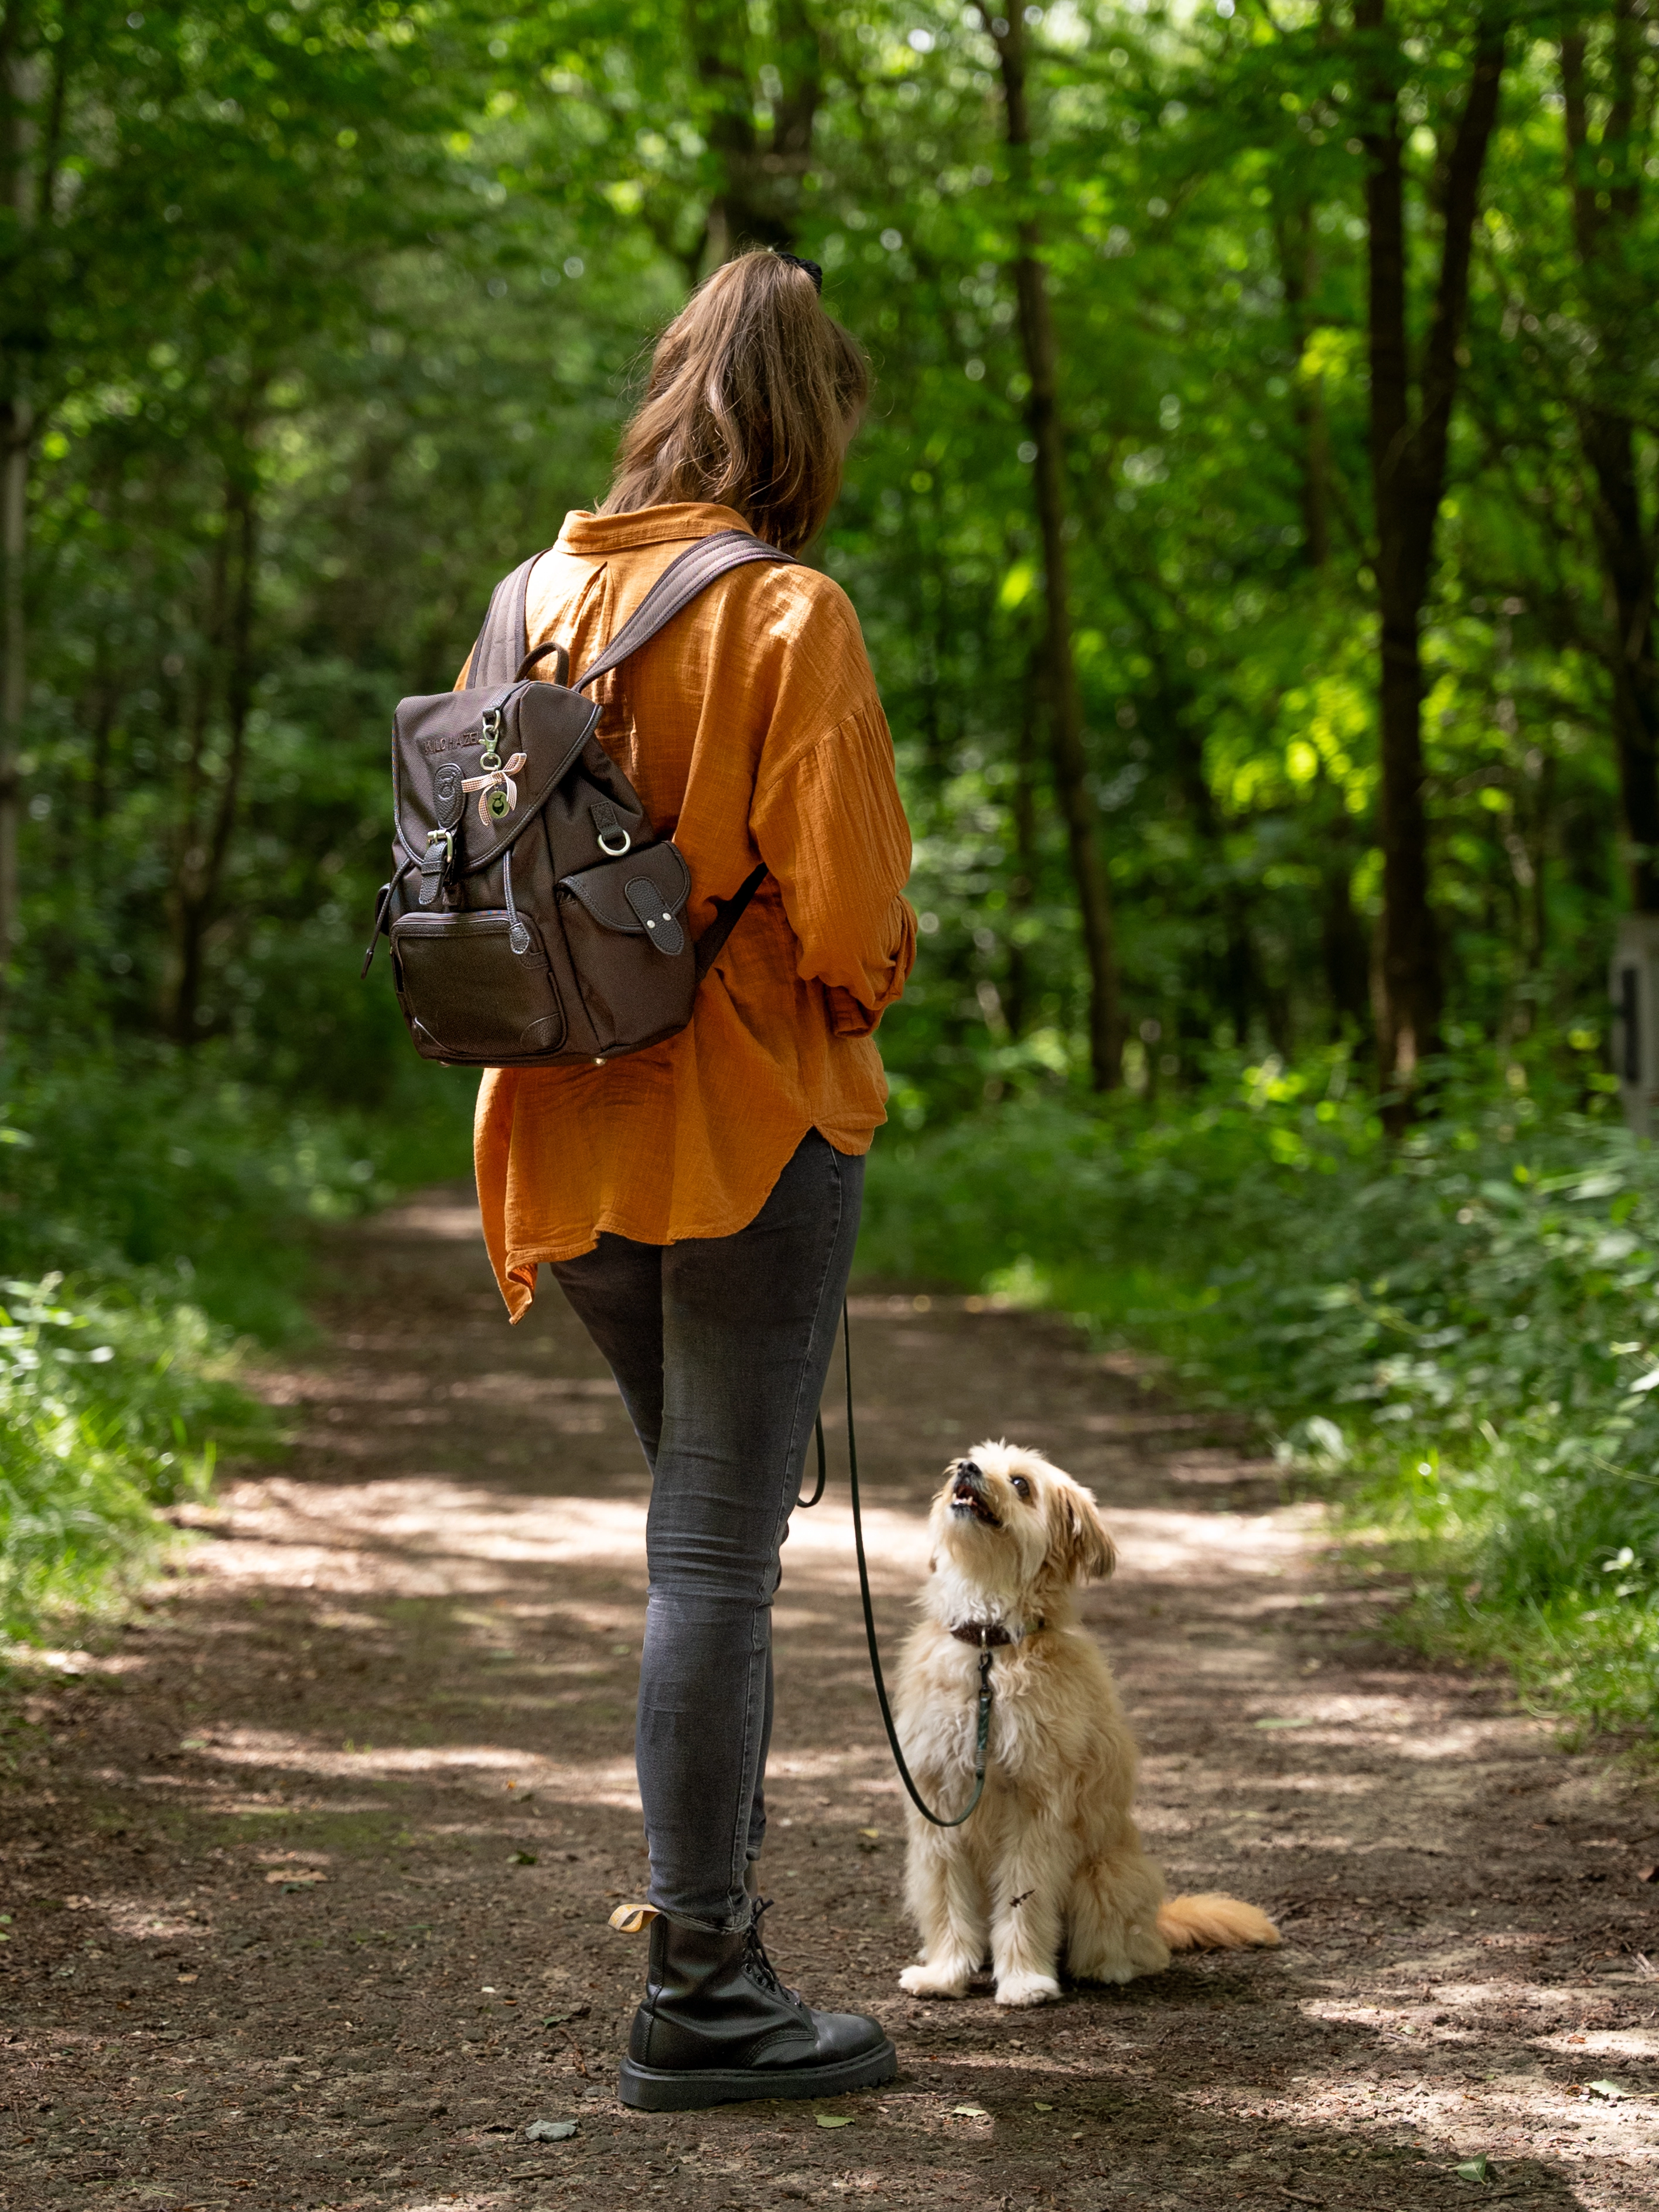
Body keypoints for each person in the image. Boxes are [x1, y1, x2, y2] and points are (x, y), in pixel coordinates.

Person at [471, 248, 916, 2112]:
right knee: (717, 1554)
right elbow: (854, 919)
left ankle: (715, 1933)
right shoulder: (789, 613)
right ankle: (708, 1989)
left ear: (667, 397)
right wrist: (861, 993)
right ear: (813, 429)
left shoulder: (531, 599)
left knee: (702, 1537)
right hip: (739, 1124)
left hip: (552, 1114)